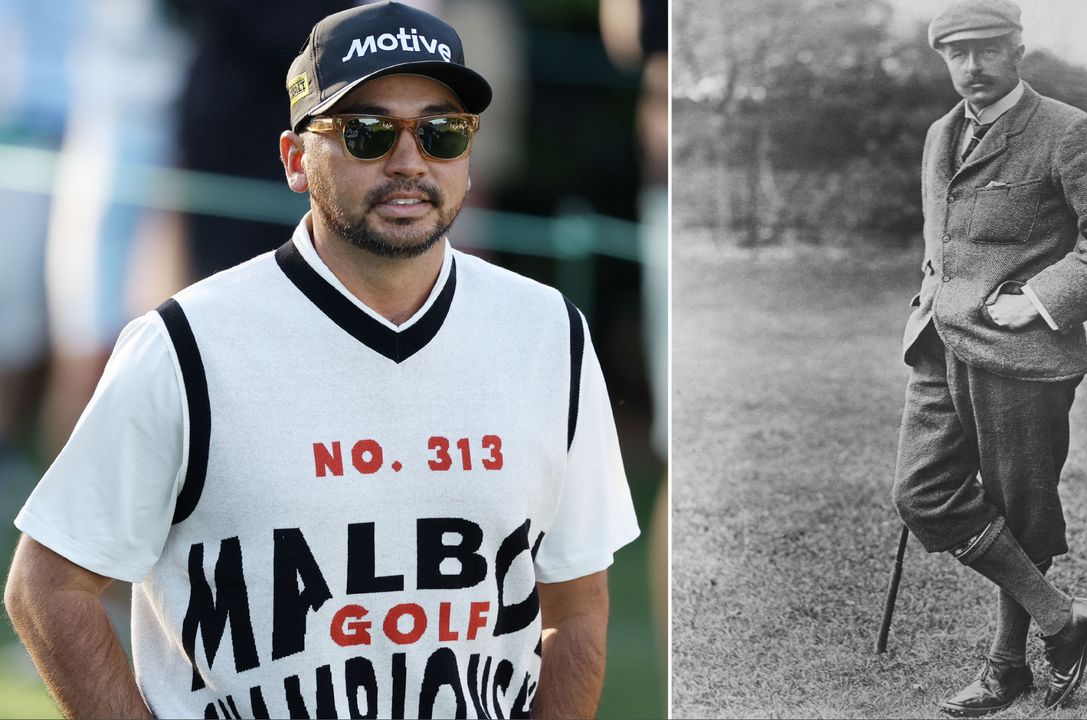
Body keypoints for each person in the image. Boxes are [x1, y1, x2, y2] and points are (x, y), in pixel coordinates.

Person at [4, 2, 640, 718]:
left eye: (440, 132)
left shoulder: (549, 333)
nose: (409, 162)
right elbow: (46, 588)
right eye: (367, 134)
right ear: (295, 160)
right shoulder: (185, 344)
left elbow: (578, 605)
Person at [891, 0, 1087, 715]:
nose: (972, 67)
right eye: (957, 53)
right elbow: (942, 239)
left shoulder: (1069, 131)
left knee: (1017, 511)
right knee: (922, 494)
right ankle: (1063, 619)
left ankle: (1006, 668)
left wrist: (1036, 299)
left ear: (1017, 49)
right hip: (938, 348)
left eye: (986, 49)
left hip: (1023, 356)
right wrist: (930, 287)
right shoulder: (940, 134)